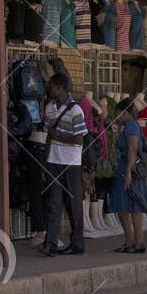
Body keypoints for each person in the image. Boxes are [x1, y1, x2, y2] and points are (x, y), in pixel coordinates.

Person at [38, 73, 86, 256]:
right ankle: (50, 243)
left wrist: (59, 137)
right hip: (53, 161)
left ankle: (77, 243)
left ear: (60, 87)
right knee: (53, 203)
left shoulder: (76, 110)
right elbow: (48, 136)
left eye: (51, 86)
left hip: (71, 163)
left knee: (73, 204)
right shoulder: (49, 108)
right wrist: (45, 160)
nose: (49, 89)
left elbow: (79, 139)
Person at [106, 99, 147, 254]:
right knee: (129, 206)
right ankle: (133, 241)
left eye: (118, 114)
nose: (116, 117)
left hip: (128, 170)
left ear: (125, 113)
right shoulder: (130, 126)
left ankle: (136, 242)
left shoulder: (131, 126)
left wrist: (129, 173)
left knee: (131, 206)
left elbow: (132, 149)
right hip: (126, 169)